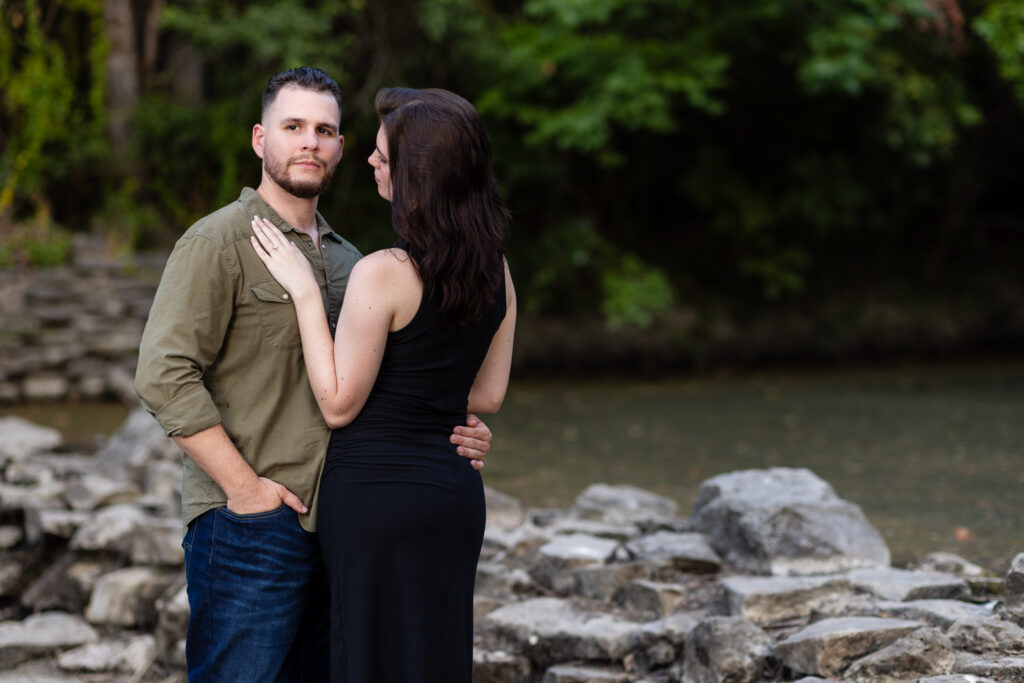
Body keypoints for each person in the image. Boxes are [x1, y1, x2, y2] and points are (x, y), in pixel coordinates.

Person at [133, 68, 494, 682]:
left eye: (324, 130)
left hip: (342, 530)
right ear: (259, 139)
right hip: (250, 525)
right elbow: (163, 376)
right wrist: (245, 490)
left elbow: (395, 382)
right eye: (292, 126)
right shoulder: (218, 241)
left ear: (342, 148)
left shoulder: (354, 261)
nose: (309, 142)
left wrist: (459, 424)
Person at [249, 86, 516, 682]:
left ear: (418, 177)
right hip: (450, 494)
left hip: (375, 495)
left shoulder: (384, 272)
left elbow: (340, 403)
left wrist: (304, 291)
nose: (370, 161)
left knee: (368, 657)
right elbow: (488, 394)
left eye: (384, 157)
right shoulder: (496, 267)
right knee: (434, 657)